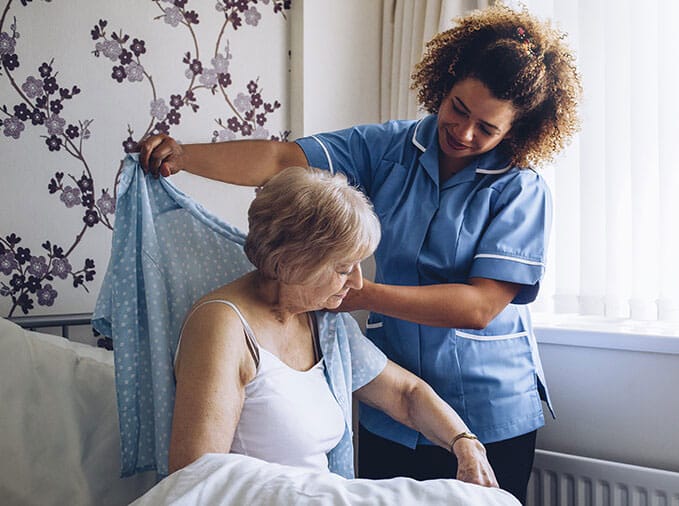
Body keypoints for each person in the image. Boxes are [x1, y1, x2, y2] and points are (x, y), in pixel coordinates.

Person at [140, 4, 581, 503]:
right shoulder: (389, 148)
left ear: (517, 132)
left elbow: (479, 307)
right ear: (445, 83)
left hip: (487, 406)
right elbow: (284, 159)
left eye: (487, 128)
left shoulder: (520, 190)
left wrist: (355, 291)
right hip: (391, 407)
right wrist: (185, 156)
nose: (463, 132)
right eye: (459, 108)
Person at [169, 165, 498, 488]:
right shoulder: (223, 327)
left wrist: (465, 443)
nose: (357, 282)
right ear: (289, 262)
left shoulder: (323, 322)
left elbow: (405, 394)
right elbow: (196, 479)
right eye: (343, 268)